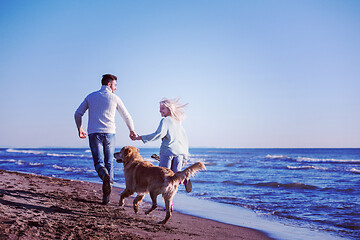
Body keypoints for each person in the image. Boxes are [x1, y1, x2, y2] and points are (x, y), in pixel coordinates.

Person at [74, 74, 136, 205]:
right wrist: (132, 130)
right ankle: (106, 198)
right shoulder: (114, 98)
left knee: (99, 163)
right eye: (115, 85)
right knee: (109, 163)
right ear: (109, 84)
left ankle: (104, 176)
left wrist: (80, 129)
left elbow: (77, 113)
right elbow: (127, 116)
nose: (116, 88)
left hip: (93, 133)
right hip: (109, 133)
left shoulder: (90, 96)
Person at [132, 98, 192, 193]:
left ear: (169, 109)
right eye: (160, 108)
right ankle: (184, 179)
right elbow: (184, 141)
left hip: (167, 152)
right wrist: (185, 157)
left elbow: (158, 134)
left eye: (162, 108)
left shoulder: (165, 121)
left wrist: (140, 137)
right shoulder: (179, 123)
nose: (160, 111)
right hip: (180, 153)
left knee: (165, 179)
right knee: (175, 179)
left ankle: (169, 205)